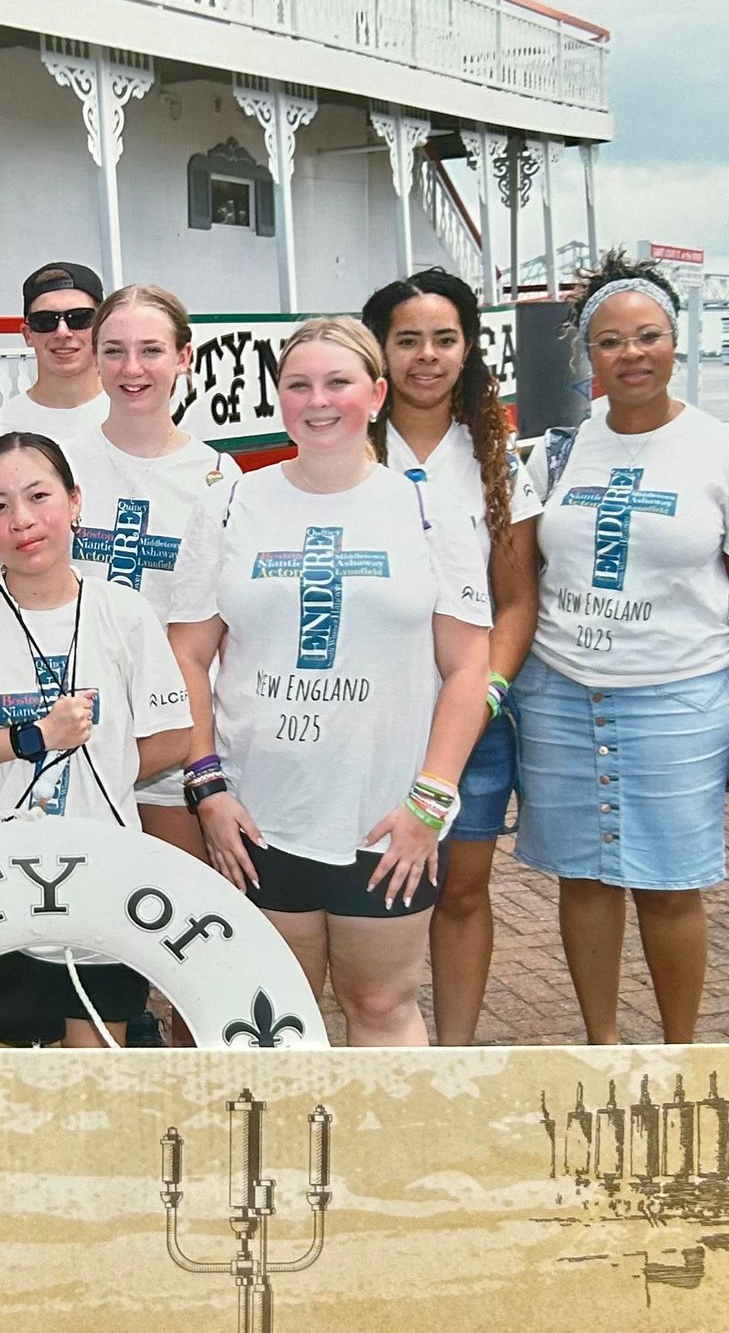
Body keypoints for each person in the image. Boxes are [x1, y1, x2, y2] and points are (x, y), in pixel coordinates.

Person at [170, 317, 492, 1047]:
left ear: (376, 394)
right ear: (279, 398)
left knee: (381, 1006)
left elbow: (468, 666)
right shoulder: (228, 504)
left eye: (339, 382)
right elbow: (186, 655)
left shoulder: (425, 509)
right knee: (268, 1021)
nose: (319, 401)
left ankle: (382, 1162)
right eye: (299, 385)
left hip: (384, 816)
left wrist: (431, 800)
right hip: (257, 817)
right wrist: (208, 788)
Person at [513, 249, 729, 1045]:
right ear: (587, 354)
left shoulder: (727, 450)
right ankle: (602, 1050)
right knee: (584, 881)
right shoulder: (557, 451)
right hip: (558, 691)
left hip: (679, 697)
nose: (633, 354)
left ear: (675, 342)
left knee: (669, 886)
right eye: (612, 341)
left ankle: (680, 1056)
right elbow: (521, 577)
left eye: (649, 336)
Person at [0, 433, 192, 1047]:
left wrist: (97, 764)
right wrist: (33, 739)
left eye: (39, 496)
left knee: (95, 1081)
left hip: (98, 876)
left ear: (74, 502)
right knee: (2, 1083)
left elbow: (173, 738)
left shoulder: (124, 613)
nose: (23, 520)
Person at [362, 269, 542, 1046]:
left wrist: (489, 689)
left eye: (444, 339)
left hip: (475, 717)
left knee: (463, 893)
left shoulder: (496, 457)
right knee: (367, 887)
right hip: (365, 710)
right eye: (407, 341)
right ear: (380, 353)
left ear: (468, 349)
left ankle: (456, 1055)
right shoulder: (349, 445)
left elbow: (516, 599)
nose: (426, 357)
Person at [66, 284, 238, 1043]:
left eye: (150, 350)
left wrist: (200, 765)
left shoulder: (219, 480)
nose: (132, 368)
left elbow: (210, 636)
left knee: (187, 932)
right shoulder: (57, 463)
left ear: (184, 360)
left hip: (168, 748)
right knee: (82, 930)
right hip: (69, 732)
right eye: (115, 350)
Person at [0, 261, 110, 475]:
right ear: (27, 334)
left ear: (101, 327)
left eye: (79, 318)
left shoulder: (140, 416)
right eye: (45, 321)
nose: (62, 332)